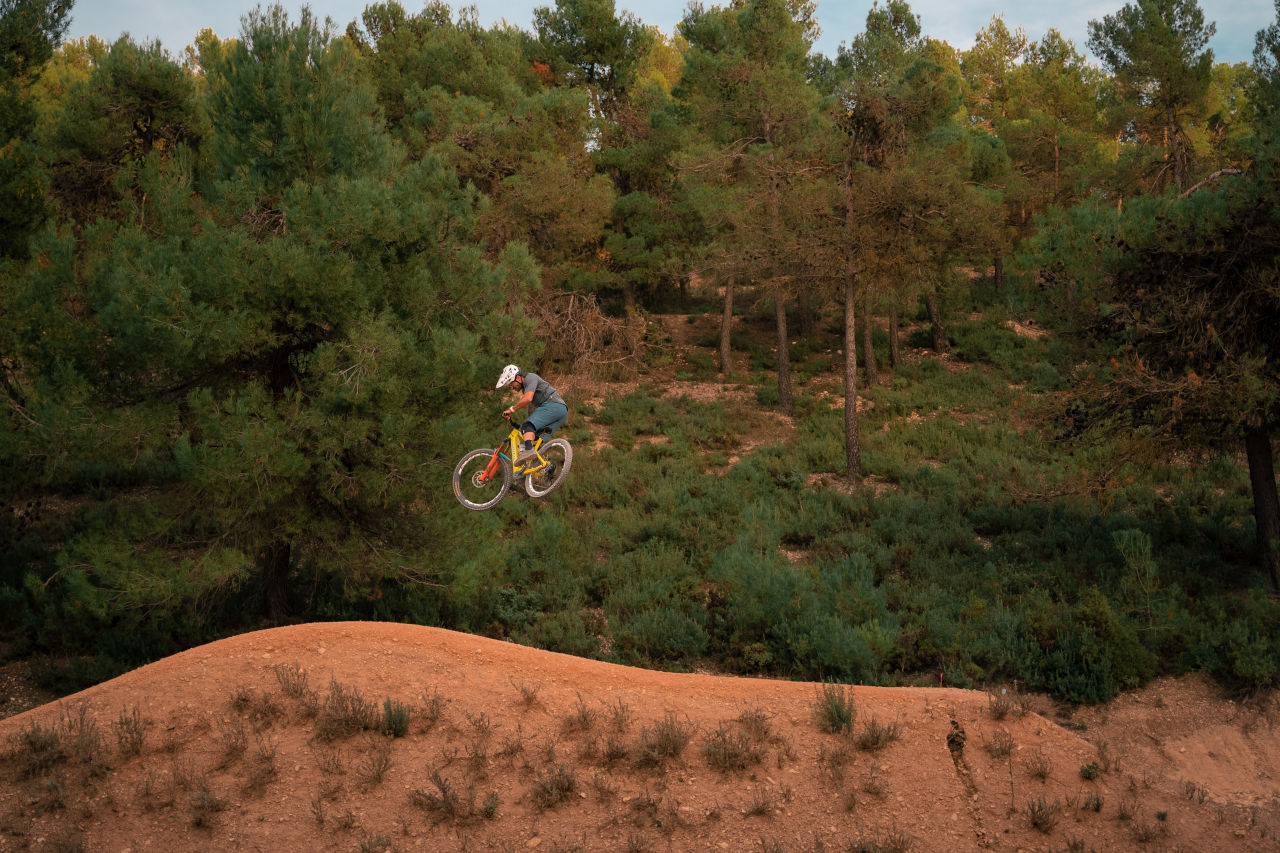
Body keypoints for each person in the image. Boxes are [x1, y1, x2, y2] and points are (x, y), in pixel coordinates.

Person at [495, 364, 568, 463]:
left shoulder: (530, 377)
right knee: (534, 441)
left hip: (554, 405)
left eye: (511, 384)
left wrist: (511, 409)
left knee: (527, 426)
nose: (511, 388)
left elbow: (528, 399)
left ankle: (528, 451)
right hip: (561, 413)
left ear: (517, 377)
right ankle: (545, 469)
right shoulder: (526, 387)